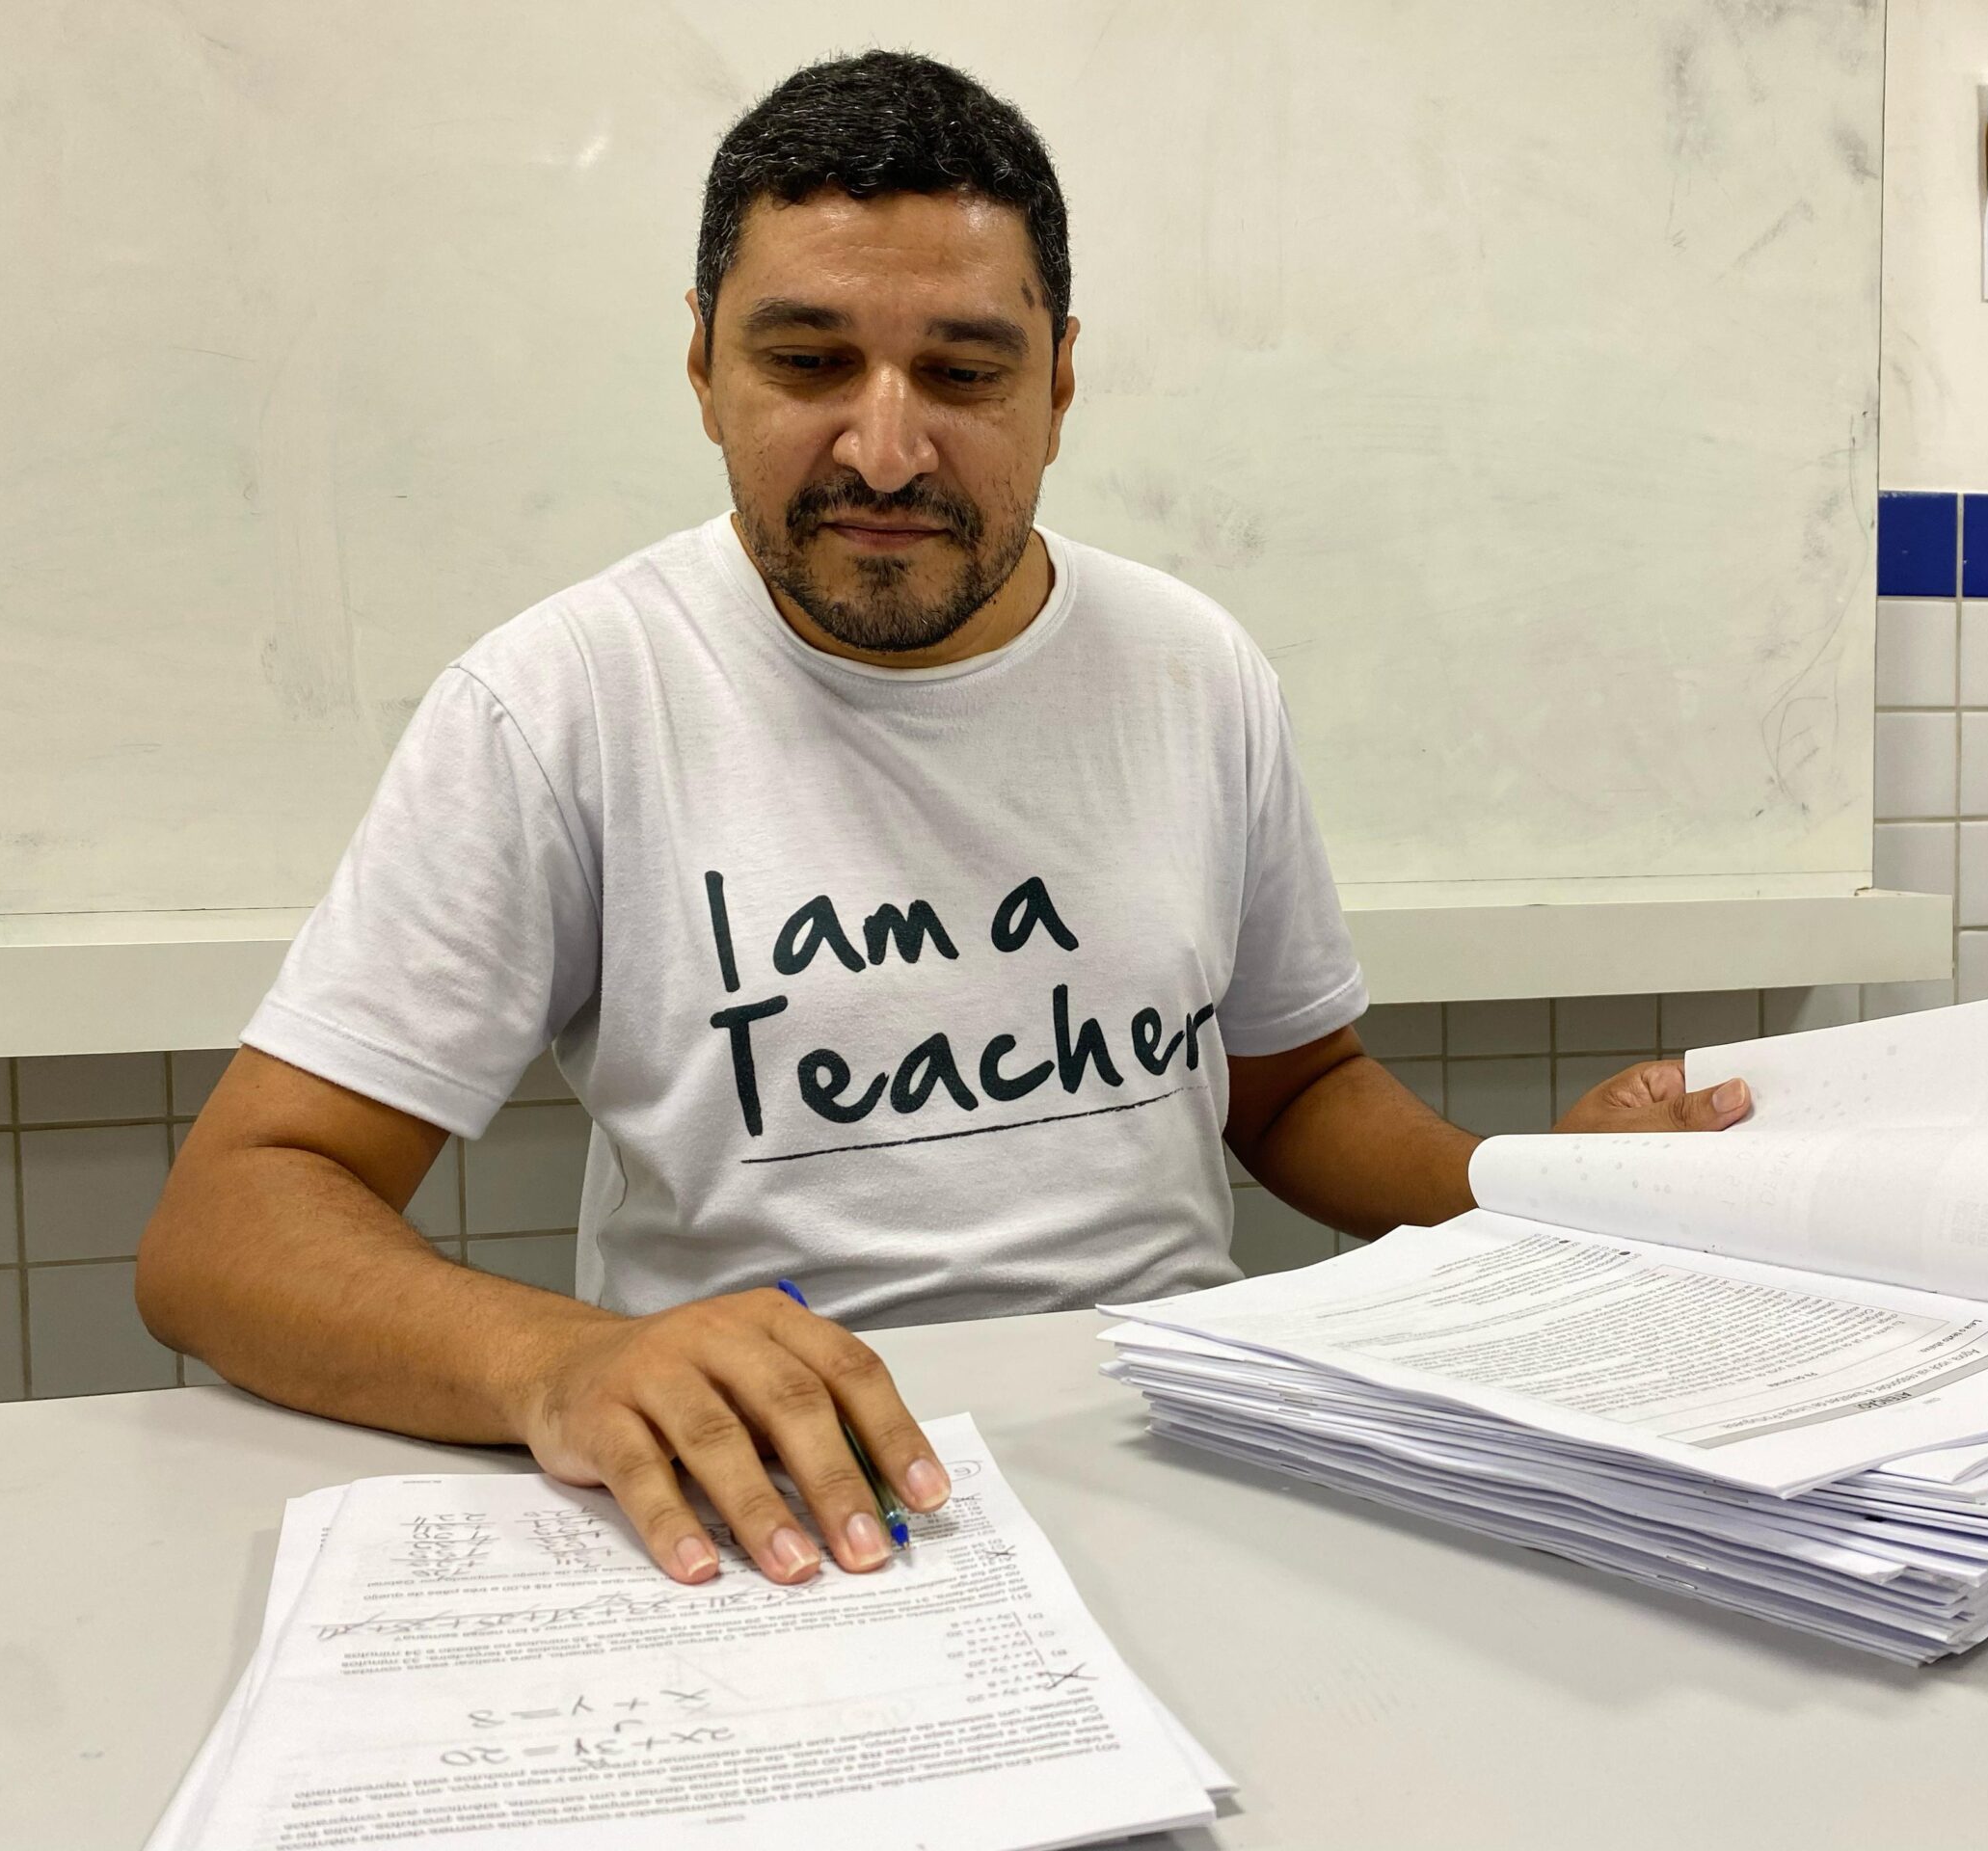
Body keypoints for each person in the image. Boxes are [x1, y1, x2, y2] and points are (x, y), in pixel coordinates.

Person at [136, 50, 1750, 1596]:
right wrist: (568, 1366)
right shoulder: (562, 698)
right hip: (776, 1500)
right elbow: (227, 1226)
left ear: (1060, 382)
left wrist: (1529, 1185)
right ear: (703, 367)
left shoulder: (1193, 670)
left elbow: (1291, 1089)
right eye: (807, 360)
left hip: (1202, 1461)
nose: (886, 448)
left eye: (966, 373)